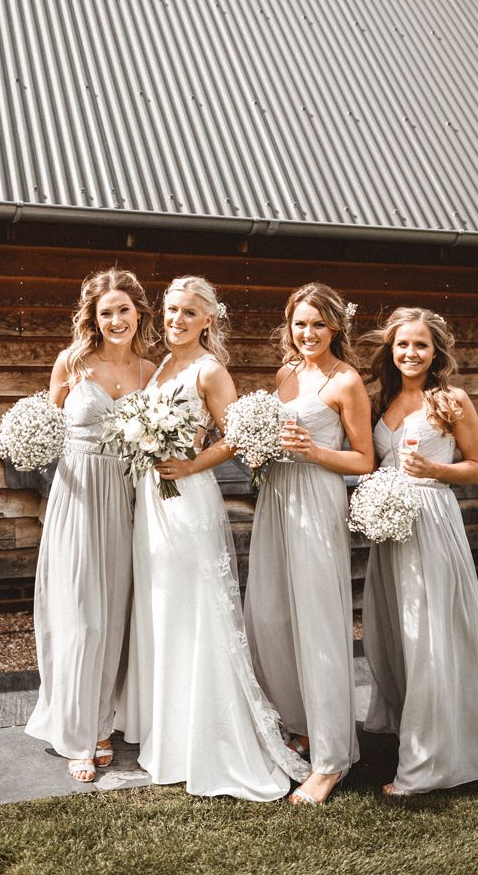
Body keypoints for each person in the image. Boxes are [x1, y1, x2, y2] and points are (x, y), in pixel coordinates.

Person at [117, 276, 309, 800]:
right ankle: (170, 729)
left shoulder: (209, 370)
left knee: (194, 609)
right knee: (163, 610)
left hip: (188, 500)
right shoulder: (161, 366)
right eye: (171, 310)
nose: (175, 319)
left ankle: (212, 737)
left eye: (187, 313)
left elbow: (236, 437)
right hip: (152, 503)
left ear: (208, 320)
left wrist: (191, 463)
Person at [244, 282, 374, 806]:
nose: (308, 333)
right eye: (300, 323)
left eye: (319, 324)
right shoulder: (286, 374)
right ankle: (298, 722)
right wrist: (259, 449)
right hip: (276, 497)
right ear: (288, 326)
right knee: (272, 613)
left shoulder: (347, 382)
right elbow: (277, 437)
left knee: (318, 619)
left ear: (336, 328)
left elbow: (364, 460)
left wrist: (315, 452)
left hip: (318, 501)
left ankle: (331, 758)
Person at [25, 267, 157, 782]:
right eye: (107, 312)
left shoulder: (151, 373)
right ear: (93, 319)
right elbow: (45, 426)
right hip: (78, 498)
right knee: (80, 615)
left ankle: (103, 722)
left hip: (126, 497)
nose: (116, 319)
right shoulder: (72, 363)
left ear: (139, 313)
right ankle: (77, 732)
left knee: (116, 615)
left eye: (125, 310)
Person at [360, 307, 478, 797]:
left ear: (436, 350)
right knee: (394, 630)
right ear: (390, 350)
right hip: (390, 527)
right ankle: (409, 728)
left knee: (429, 633)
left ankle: (428, 761)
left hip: (433, 522)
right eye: (402, 344)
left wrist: (435, 471)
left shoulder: (451, 399)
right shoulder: (383, 399)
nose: (410, 353)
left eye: (420, 345)